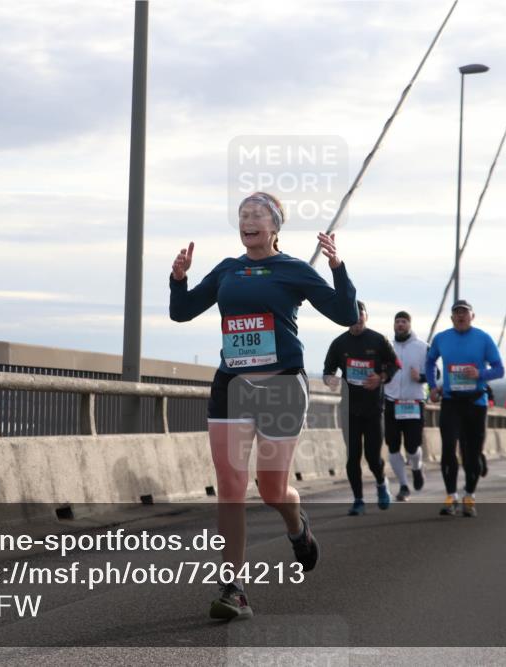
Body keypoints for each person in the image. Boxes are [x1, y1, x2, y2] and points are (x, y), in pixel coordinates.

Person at [169, 191, 359, 619]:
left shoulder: (292, 269)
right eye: (242, 215)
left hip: (281, 386)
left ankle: (297, 526)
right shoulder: (228, 270)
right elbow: (181, 313)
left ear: (275, 226)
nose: (247, 220)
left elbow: (345, 314)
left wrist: (337, 267)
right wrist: (178, 278)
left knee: (272, 488)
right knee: (231, 488)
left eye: (256, 214)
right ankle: (233, 588)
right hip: (232, 384)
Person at [425, 300, 504, 518]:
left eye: (464, 313)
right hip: (451, 401)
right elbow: (430, 362)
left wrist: (480, 374)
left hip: (476, 403)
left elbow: (499, 369)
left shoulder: (483, 338)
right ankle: (451, 496)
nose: (461, 316)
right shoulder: (442, 338)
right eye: (457, 313)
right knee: (449, 448)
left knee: (472, 454)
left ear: (472, 316)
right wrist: (432, 387)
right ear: (452, 318)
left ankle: (469, 496)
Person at [324, 301, 399, 515]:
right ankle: (358, 500)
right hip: (349, 409)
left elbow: (395, 364)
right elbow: (328, 369)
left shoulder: (378, 340)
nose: (357, 320)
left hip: (374, 408)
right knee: (353, 456)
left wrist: (382, 377)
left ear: (366, 317)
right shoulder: (339, 344)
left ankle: (381, 483)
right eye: (352, 316)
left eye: (360, 315)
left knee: (373, 457)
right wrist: (330, 379)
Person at [383, 311, 429, 501]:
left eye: (404, 322)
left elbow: (436, 375)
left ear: (410, 324)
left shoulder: (423, 347)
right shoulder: (387, 347)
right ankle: (403, 485)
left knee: (412, 447)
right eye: (397, 322)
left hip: (414, 403)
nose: (400, 325)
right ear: (394, 325)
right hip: (391, 402)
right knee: (392, 447)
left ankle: (417, 467)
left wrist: (421, 378)